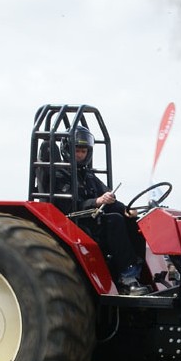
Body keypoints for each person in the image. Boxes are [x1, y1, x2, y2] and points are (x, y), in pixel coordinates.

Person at [55, 125, 150, 295]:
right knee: (114, 220)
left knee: (132, 221)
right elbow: (68, 206)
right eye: (77, 150)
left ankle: (136, 271)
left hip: (92, 219)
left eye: (83, 151)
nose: (80, 154)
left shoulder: (88, 175)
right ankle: (127, 277)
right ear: (67, 149)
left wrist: (126, 209)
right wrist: (97, 202)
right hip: (73, 222)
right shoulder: (59, 174)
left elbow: (109, 197)